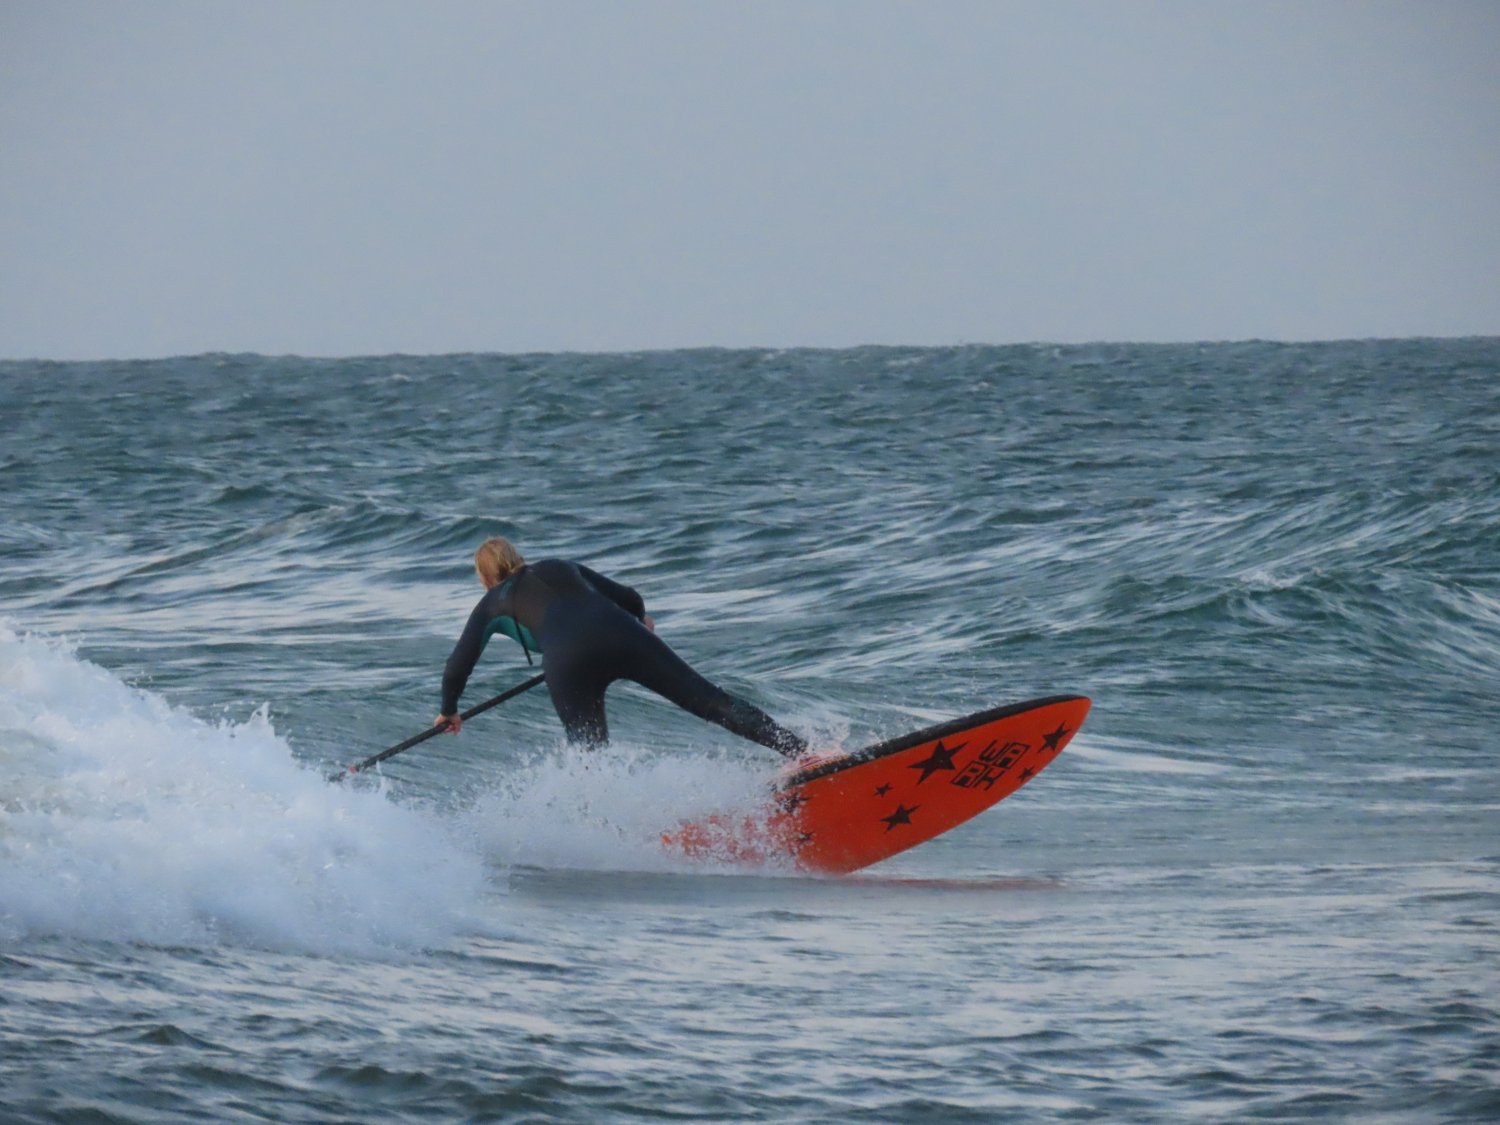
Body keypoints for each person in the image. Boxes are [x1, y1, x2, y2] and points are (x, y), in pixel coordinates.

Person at [436, 537, 807, 757]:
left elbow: (457, 666)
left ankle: (609, 832)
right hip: (621, 632)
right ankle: (802, 753)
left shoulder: (491, 604)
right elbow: (628, 597)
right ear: (518, 557)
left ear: (485, 578)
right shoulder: (561, 566)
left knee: (589, 751)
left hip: (566, 663)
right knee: (710, 701)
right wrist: (640, 620)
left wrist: (449, 711)